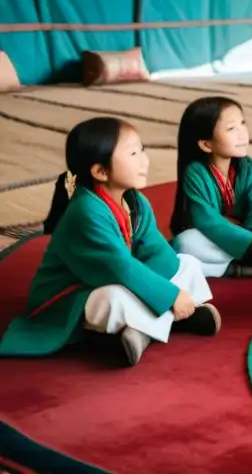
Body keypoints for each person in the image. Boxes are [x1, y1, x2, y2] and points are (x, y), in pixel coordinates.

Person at [0, 118, 219, 366]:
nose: (144, 160)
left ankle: (141, 329)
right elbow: (121, 268)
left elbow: (159, 252)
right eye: (133, 153)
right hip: (74, 296)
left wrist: (163, 284)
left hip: (117, 276)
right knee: (115, 298)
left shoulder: (135, 202)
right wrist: (170, 296)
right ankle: (158, 324)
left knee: (187, 263)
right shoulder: (85, 211)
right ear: (100, 171)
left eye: (142, 150)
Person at [170, 97, 252, 277]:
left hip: (250, 234)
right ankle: (243, 266)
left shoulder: (249, 168)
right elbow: (206, 219)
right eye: (231, 128)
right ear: (206, 144)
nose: (242, 134)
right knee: (184, 244)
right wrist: (248, 240)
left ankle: (247, 259)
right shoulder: (195, 173)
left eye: (242, 124)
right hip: (223, 238)